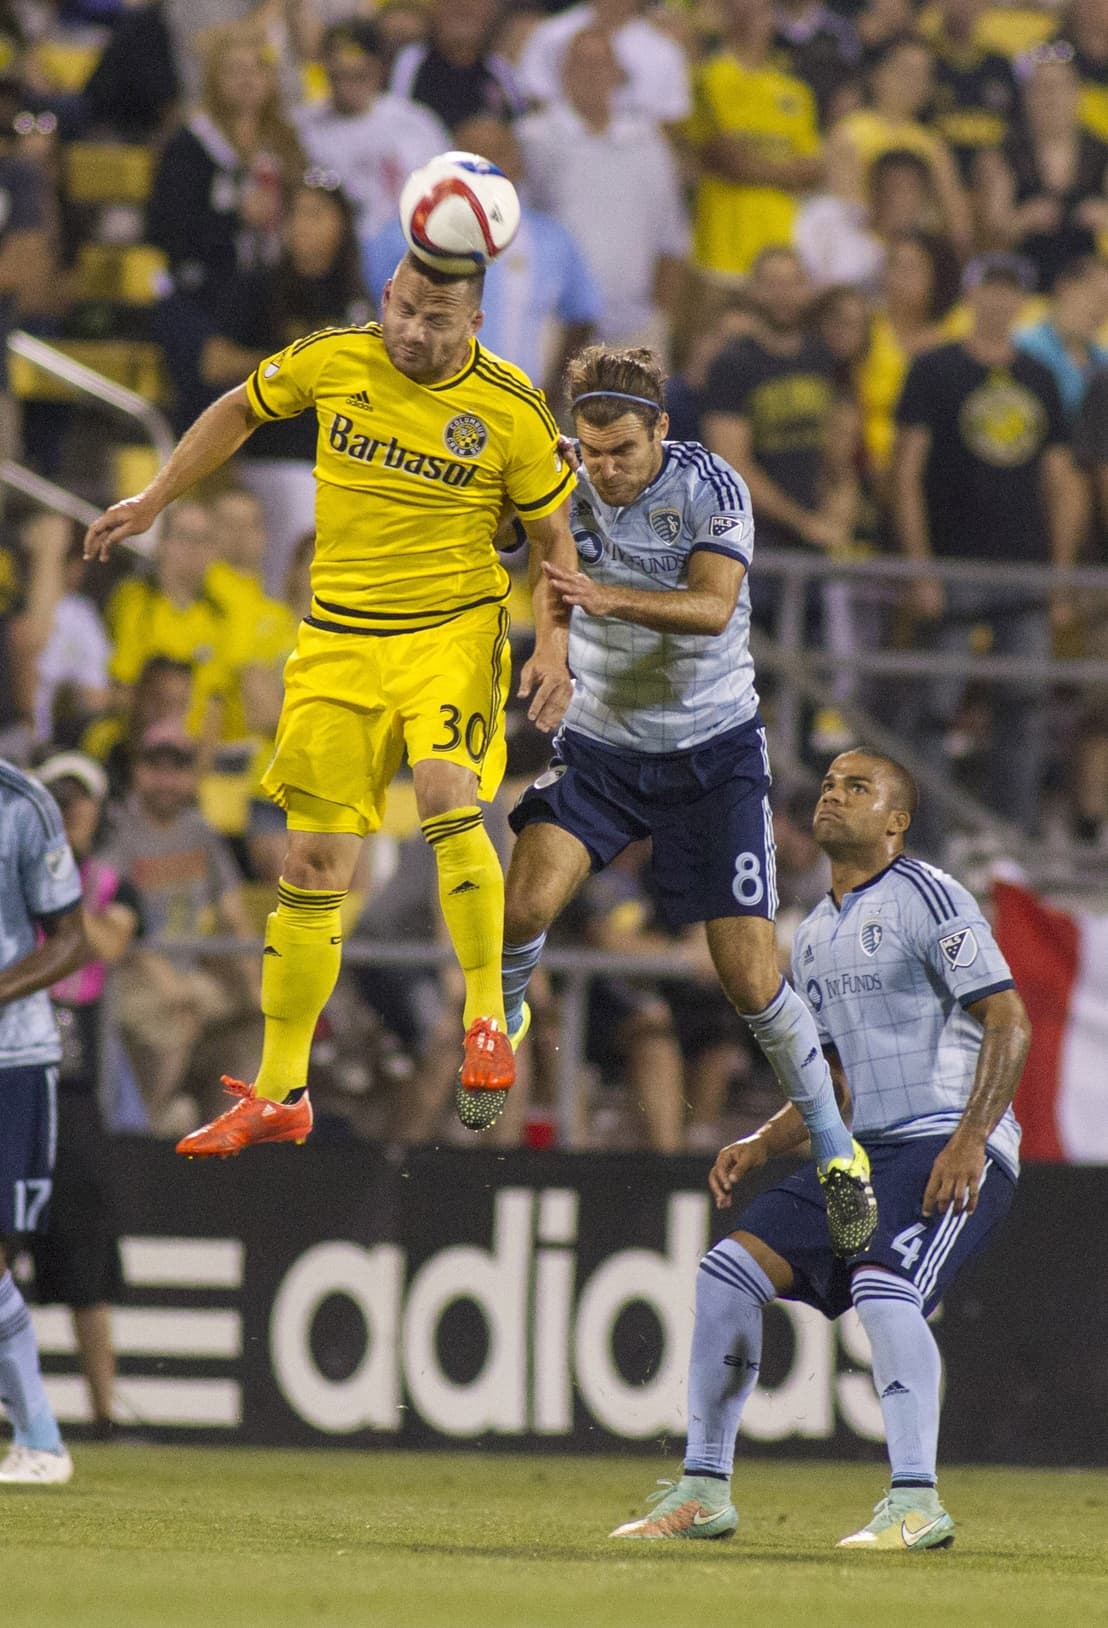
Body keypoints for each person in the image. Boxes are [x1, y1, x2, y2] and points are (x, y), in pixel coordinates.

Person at [83, 247, 578, 1156]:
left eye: (438, 320)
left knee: (442, 791)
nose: (415, 333)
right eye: (406, 312)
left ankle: (483, 1019)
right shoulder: (334, 357)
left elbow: (553, 534)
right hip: (337, 639)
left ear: (473, 323)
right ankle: (282, 1089)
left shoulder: (510, 408)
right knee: (312, 864)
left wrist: (552, 639)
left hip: (448, 632)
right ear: (386, 298)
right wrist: (156, 497)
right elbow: (237, 407)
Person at [498, 344, 876, 1251]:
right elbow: (546, 568)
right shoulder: (558, 475)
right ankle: (498, 1024)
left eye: (623, 450)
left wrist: (606, 599)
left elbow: (712, 607)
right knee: (523, 906)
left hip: (714, 755)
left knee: (749, 978)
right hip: (604, 747)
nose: (606, 469)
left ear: (662, 429)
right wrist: (550, 645)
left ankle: (834, 1149)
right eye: (591, 450)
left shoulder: (715, 488)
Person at [611, 750, 1030, 1548]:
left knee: (883, 1284)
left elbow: (1009, 1020)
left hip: (946, 1138)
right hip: (862, 1150)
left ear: (897, 821)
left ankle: (916, 1502)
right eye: (831, 785)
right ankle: (704, 1490)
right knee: (728, 1273)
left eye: (857, 787)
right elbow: (830, 1078)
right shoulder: (813, 933)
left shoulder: (930, 895)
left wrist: (971, 1137)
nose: (834, 795)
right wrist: (766, 1140)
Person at [892, 251, 1085, 843]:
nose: (999, 302)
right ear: (971, 295)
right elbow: (905, 474)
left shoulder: (1039, 377)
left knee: (1024, 708)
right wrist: (921, 569)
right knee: (933, 707)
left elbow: (1059, 480)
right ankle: (927, 839)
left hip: (1023, 565)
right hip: (952, 563)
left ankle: (1011, 844)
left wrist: (1060, 577)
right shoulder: (933, 369)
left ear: (1022, 302)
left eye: (1011, 292)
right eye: (990, 289)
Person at [32, 752, 140, 1438]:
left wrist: (54, 889)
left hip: (71, 1090)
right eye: (60, 796)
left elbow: (101, 943)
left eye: (82, 797)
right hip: (16, 1077)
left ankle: (104, 1410)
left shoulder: (108, 884)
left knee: (87, 1252)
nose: (74, 807)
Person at [0, 757, 86, 1482]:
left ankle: (40, 1437)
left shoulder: (22, 804)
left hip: (10, 1058)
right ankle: (38, 1435)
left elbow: (69, 939)